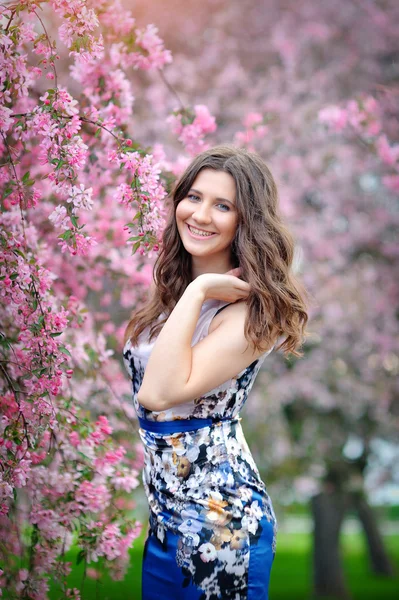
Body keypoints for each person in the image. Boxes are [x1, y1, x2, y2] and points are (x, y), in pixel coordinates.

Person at [123, 145, 309, 600]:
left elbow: (159, 393)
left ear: (246, 222)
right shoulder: (169, 301)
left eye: (222, 205)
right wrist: (191, 293)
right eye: (194, 197)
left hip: (221, 525)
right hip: (165, 520)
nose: (201, 214)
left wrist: (201, 288)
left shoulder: (250, 315)